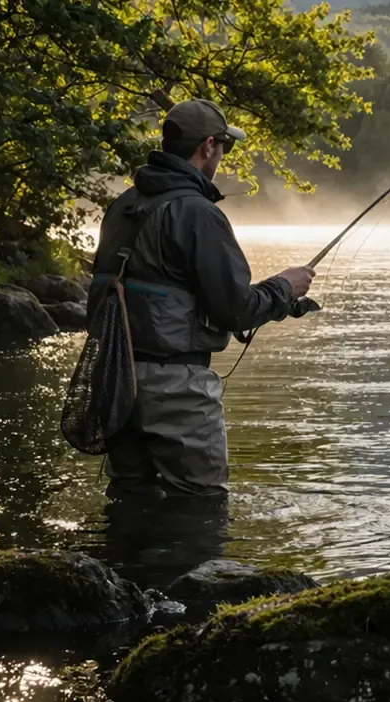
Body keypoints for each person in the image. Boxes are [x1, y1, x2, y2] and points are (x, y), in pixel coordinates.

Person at [88, 98, 314, 498]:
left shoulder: (124, 205)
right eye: (224, 146)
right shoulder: (196, 212)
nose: (223, 156)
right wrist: (285, 287)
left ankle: (119, 562)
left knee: (130, 495)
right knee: (200, 502)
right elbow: (235, 309)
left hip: (115, 377)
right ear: (208, 145)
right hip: (175, 388)